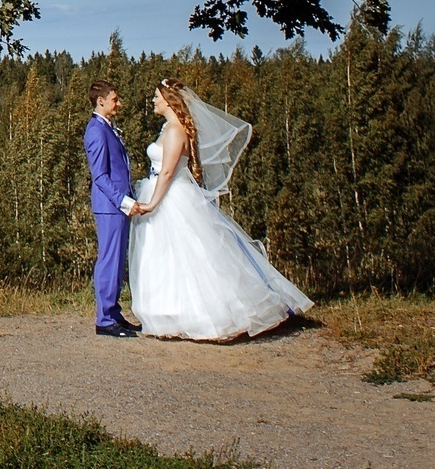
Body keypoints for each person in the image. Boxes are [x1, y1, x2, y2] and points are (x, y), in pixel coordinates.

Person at [126, 77, 311, 341]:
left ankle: (201, 316)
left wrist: (153, 203)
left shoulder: (176, 131)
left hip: (170, 198)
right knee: (166, 257)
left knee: (187, 257)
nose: (154, 100)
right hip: (162, 192)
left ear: (169, 100)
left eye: (157, 96)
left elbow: (167, 172)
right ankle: (167, 314)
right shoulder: (169, 128)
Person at [83, 81, 140, 337]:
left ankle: (114, 313)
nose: (119, 104)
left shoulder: (108, 128)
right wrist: (125, 202)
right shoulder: (96, 130)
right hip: (110, 207)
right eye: (115, 99)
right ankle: (104, 319)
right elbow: (100, 177)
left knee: (117, 262)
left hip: (117, 206)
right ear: (101, 101)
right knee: (108, 260)